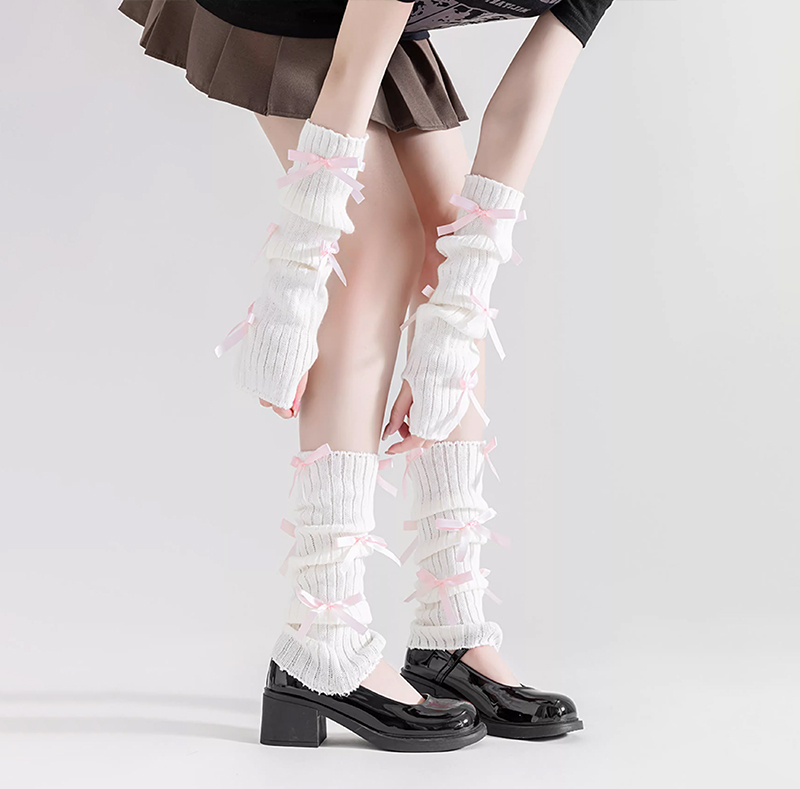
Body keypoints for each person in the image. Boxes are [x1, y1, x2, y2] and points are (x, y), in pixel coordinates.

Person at [119, 0, 613, 751]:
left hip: (371, 16)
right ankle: (322, 635)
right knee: (378, 237)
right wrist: (296, 273)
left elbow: (527, 100)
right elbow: (350, 69)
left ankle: (450, 628)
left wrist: (454, 323)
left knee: (451, 231)